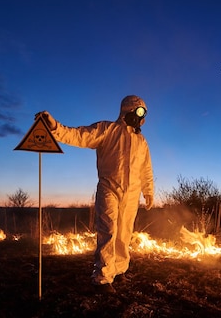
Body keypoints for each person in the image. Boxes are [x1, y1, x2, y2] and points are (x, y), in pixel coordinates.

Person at [35, 95, 154, 294]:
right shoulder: (106, 130)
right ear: (128, 110)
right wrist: (54, 126)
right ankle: (102, 278)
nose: (141, 117)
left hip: (132, 193)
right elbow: (78, 135)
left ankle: (119, 269)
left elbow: (146, 169)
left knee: (124, 232)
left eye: (144, 113)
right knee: (108, 230)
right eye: (139, 111)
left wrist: (148, 191)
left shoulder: (141, 141)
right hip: (109, 188)